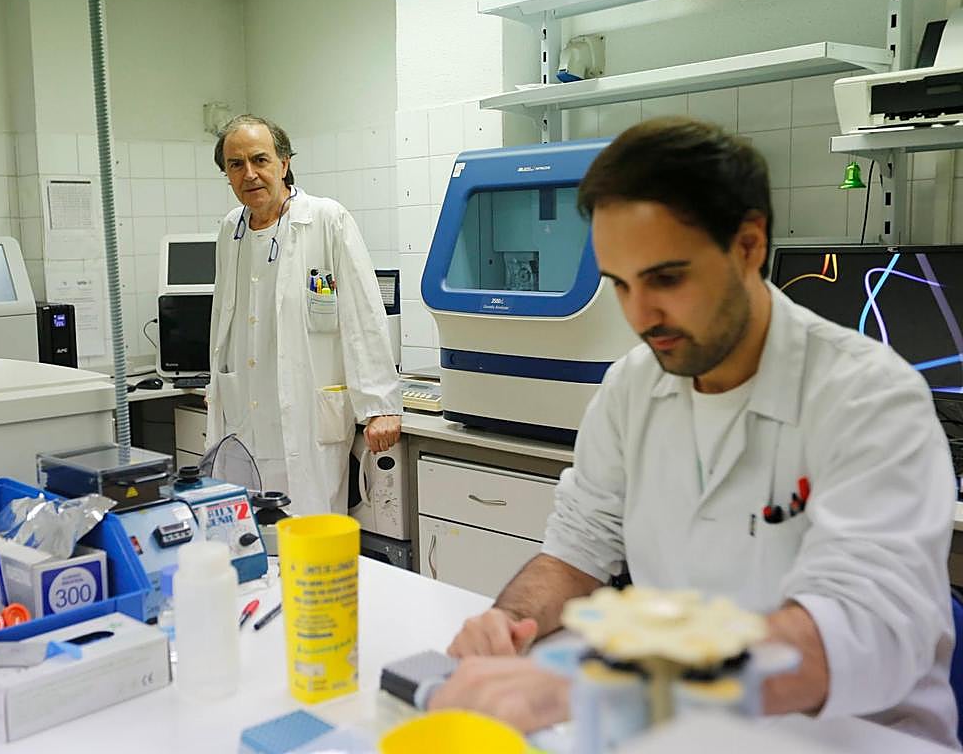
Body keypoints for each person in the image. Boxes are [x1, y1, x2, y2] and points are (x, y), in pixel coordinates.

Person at [431, 117, 958, 747]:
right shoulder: (632, 387)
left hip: (848, 734)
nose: (639, 316)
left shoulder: (870, 397)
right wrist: (509, 620)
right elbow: (578, 546)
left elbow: (858, 635)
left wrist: (611, 689)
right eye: (619, 285)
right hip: (681, 722)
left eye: (666, 279)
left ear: (749, 245)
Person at [205, 115, 402, 516]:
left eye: (260, 160)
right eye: (235, 164)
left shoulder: (327, 219)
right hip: (245, 408)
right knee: (250, 530)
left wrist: (381, 405)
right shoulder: (231, 230)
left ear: (284, 163)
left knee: (309, 528)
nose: (250, 174)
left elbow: (363, 315)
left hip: (306, 413)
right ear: (226, 174)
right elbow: (223, 319)